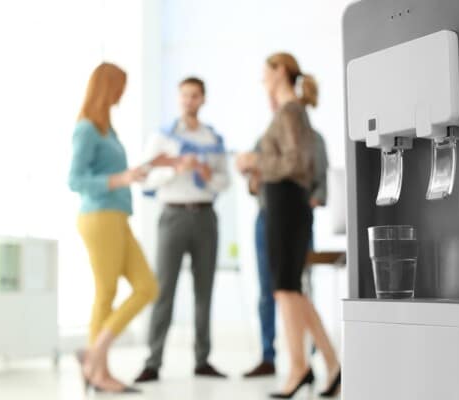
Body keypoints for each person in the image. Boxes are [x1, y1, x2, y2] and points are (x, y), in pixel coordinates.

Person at [236, 53, 340, 398]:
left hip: (285, 205)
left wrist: (255, 160)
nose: (262, 79)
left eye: (265, 72)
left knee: (285, 289)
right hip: (283, 203)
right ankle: (330, 363)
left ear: (280, 71)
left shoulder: (291, 111)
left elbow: (296, 163)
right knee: (291, 289)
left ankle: (299, 367)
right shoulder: (292, 112)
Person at [68, 62, 170, 394]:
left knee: (147, 286)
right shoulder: (86, 129)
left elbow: (118, 175)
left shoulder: (106, 129)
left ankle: (93, 356)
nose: (122, 93)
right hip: (99, 217)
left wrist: (148, 167)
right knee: (106, 293)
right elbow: (75, 180)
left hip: (117, 217)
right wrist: (120, 178)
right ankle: (99, 372)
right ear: (106, 87)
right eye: (119, 86)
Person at [134, 77, 230, 383]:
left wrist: (204, 172)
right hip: (172, 217)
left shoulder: (211, 138)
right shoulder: (162, 138)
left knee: (205, 291)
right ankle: (153, 361)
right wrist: (174, 170)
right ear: (179, 99)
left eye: (195, 96)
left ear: (203, 99)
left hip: (205, 217)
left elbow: (224, 181)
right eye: (184, 96)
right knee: (163, 289)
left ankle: (203, 360)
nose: (189, 101)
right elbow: (145, 178)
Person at [243, 127, 329, 379]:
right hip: (267, 217)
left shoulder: (313, 139)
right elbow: (254, 183)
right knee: (270, 290)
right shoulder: (266, 138)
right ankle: (269, 357)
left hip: (295, 219)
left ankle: (307, 359)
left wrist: (307, 202)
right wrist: (252, 177)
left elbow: (321, 182)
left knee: (297, 289)